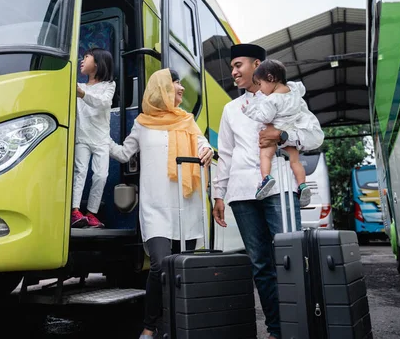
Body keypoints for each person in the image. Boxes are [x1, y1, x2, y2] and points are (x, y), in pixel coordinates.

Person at [212, 44, 323, 339]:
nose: (233, 72)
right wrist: (219, 195)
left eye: (238, 65)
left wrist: (284, 135)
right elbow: (225, 152)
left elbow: (315, 136)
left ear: (257, 65)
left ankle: (300, 329)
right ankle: (276, 331)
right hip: (242, 193)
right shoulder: (231, 109)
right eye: (232, 67)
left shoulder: (288, 98)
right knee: (261, 265)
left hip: (280, 189)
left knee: (291, 258)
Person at [109, 68, 214, 339]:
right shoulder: (142, 124)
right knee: (159, 265)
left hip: (186, 204)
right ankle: (150, 325)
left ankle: (179, 324)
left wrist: (207, 150)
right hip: (155, 206)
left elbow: (203, 144)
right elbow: (123, 153)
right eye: (175, 83)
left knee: (182, 267)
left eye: (180, 83)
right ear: (161, 88)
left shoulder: (187, 121)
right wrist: (98, 138)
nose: (181, 88)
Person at [241, 58, 314, 207]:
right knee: (295, 161)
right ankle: (302, 185)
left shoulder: (271, 100)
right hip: (291, 132)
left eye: (261, 84)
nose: (260, 89)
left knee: (265, 154)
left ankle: (266, 178)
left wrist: (249, 111)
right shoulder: (293, 93)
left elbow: (265, 117)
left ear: (270, 78)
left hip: (274, 133)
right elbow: (301, 88)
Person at [71, 47, 116, 228]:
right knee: (79, 172)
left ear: (97, 63)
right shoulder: (78, 87)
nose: (82, 61)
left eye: (86, 57)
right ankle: (74, 211)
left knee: (101, 176)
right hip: (82, 137)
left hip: (100, 140)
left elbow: (104, 103)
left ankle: (91, 213)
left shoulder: (108, 86)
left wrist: (82, 95)